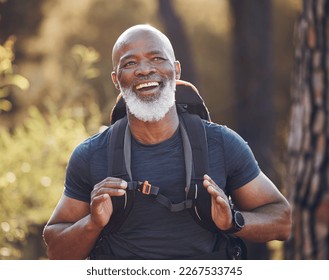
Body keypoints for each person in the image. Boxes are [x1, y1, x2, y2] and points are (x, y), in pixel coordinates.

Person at [43, 24, 292, 260]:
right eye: (130, 63)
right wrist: (92, 223)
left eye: (157, 58)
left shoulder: (221, 143)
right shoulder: (91, 155)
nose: (144, 70)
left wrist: (233, 221)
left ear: (177, 70)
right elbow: (56, 249)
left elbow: (281, 220)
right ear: (116, 80)